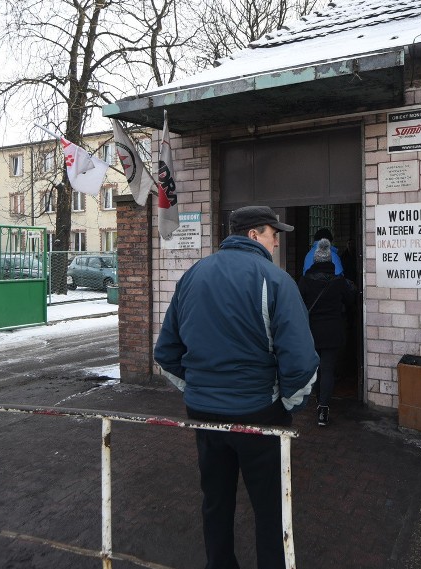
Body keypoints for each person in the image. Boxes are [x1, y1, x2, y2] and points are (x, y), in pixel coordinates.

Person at [154, 205, 319, 569]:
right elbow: (302, 361)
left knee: (215, 500)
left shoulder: (193, 276)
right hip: (259, 414)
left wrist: (197, 389)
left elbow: (166, 351)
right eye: (273, 234)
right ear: (253, 235)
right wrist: (289, 405)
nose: (276, 243)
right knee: (270, 507)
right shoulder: (275, 280)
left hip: (203, 415)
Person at [297, 238, 355, 426]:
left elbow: (299, 306)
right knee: (328, 369)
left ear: (314, 261)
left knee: (315, 367)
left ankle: (315, 397)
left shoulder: (305, 281)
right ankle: (323, 408)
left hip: (311, 332)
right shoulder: (339, 282)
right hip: (333, 331)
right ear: (330, 261)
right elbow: (350, 302)